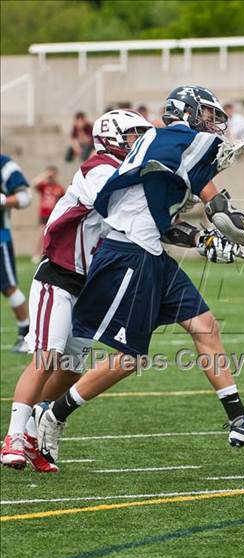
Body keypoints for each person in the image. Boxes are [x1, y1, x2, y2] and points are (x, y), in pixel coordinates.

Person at [34, 86, 244, 467]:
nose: (211, 122)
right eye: (205, 113)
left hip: (149, 249)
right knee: (130, 359)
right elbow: (220, 210)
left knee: (205, 325)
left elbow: (169, 220)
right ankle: (53, 414)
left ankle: (238, 420)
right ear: (185, 112)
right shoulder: (176, 139)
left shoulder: (169, 145)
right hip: (129, 254)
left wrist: (208, 242)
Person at [0, 109, 153, 472]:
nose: (138, 143)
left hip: (88, 285)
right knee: (46, 357)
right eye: (133, 135)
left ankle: (36, 428)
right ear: (111, 137)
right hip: (59, 274)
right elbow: (116, 203)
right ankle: (13, 436)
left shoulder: (131, 178)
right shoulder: (98, 169)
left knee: (69, 370)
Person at [0, 154, 32, 353]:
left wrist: (3, 200)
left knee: (8, 286)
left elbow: (25, 197)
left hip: (0, 237)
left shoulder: (4, 164)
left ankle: (26, 334)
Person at [32, 166, 65, 263]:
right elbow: (34, 183)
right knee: (41, 234)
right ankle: (36, 254)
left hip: (53, 214)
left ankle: (47, 254)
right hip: (44, 213)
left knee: (50, 234)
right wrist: (45, 174)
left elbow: (64, 200)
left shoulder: (58, 188)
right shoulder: (44, 186)